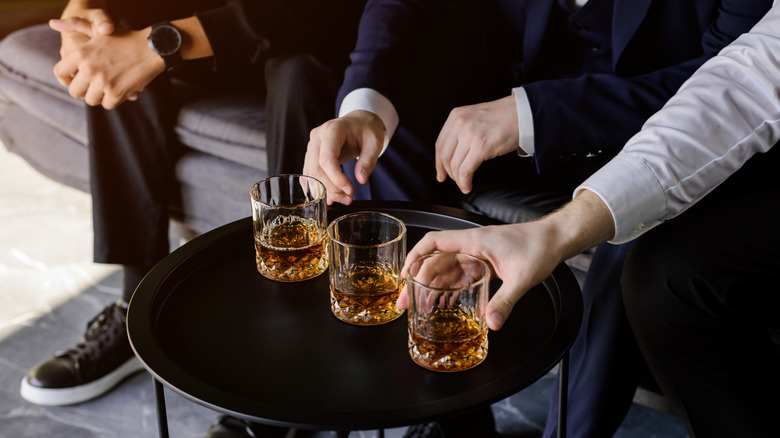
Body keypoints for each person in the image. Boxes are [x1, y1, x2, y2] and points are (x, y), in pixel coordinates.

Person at [301, 1, 772, 437]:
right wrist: (365, 109)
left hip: (657, 136)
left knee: (644, 231)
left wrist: (536, 114)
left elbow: (729, 81)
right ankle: (449, 420)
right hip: (514, 119)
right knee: (384, 147)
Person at [19, 0, 365, 417]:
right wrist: (81, 22)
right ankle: (136, 309)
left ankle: (295, 348)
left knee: (299, 65)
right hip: (213, 35)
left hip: (308, 37)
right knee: (112, 40)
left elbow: (313, 14)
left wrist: (159, 44)